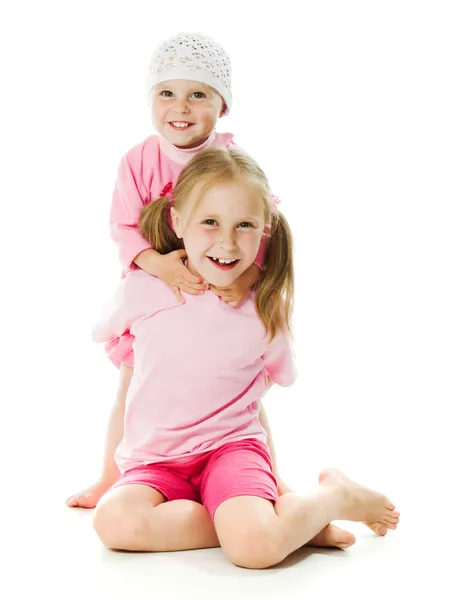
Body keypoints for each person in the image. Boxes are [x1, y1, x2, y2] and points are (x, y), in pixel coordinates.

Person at [89, 148, 400, 569]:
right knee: (114, 522)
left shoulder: (261, 308)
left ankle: (331, 498)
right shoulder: (145, 289)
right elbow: (105, 331)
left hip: (231, 451)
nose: (227, 242)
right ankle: (288, 521)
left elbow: (283, 374)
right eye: (210, 223)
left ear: (264, 231)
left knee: (254, 549)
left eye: (244, 226)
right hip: (157, 460)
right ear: (178, 222)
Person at [67, 32, 274, 509]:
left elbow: (261, 223)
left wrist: (246, 278)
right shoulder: (137, 160)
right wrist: (159, 265)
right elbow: (122, 226)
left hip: (219, 292)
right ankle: (110, 477)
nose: (180, 107)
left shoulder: (230, 161)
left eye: (197, 93)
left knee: (240, 396)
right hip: (160, 295)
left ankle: (269, 484)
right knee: (132, 385)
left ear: (222, 105)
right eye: (166, 93)